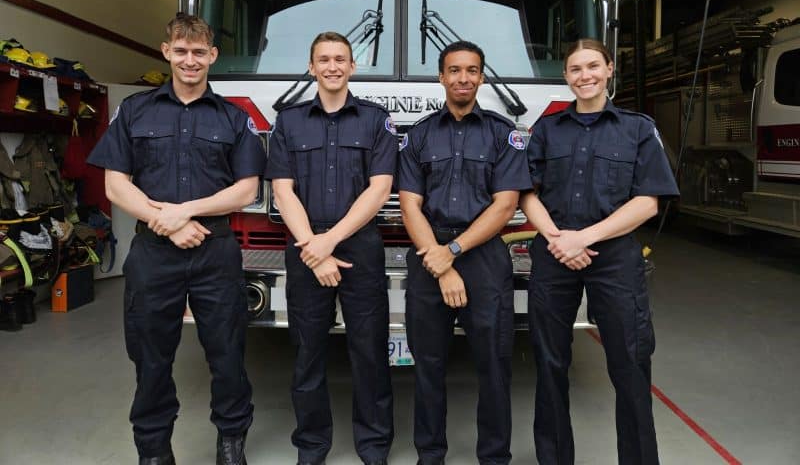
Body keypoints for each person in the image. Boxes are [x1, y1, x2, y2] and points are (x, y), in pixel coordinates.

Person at [87, 14, 265, 465]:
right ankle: (153, 449)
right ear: (166, 51)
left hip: (215, 252)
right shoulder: (135, 111)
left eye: (199, 52)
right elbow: (115, 185)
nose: (190, 60)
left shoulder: (233, 117)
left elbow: (247, 188)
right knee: (150, 355)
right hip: (153, 252)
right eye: (181, 51)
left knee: (227, 353)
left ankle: (231, 442)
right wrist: (165, 220)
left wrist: (186, 211)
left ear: (213, 57)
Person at [520, 38, 679, 465]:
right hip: (554, 253)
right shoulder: (547, 128)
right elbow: (525, 194)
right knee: (550, 363)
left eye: (593, 66)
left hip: (614, 258)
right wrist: (559, 238)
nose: (584, 76)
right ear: (566, 77)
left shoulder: (638, 129)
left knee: (630, 363)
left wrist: (583, 238)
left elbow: (648, 202)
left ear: (610, 70)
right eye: (575, 69)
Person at [265, 31, 396, 465]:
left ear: (352, 67)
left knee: (370, 352)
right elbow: (283, 192)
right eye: (324, 59)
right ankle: (312, 446)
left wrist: (328, 243)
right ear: (311, 66)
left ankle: (374, 446)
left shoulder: (376, 121)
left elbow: (378, 192)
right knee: (307, 354)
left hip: (358, 247)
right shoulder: (289, 121)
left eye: (340, 59)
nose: (333, 66)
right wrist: (312, 247)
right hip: (306, 248)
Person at [398, 40, 531, 465]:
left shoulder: (502, 133)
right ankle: (430, 454)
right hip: (428, 255)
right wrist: (438, 259)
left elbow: (506, 204)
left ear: (481, 77)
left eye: (472, 70)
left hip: (483, 258)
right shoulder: (418, 135)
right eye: (454, 70)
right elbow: (409, 204)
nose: (463, 78)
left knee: (494, 366)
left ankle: (494, 457)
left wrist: (452, 251)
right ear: (441, 76)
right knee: (427, 366)